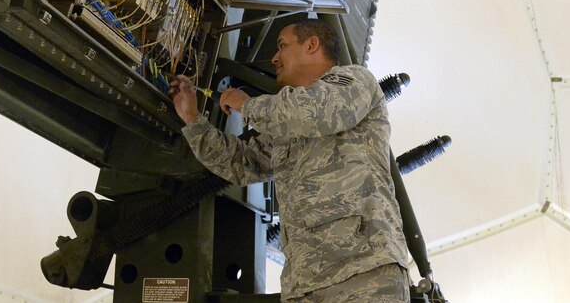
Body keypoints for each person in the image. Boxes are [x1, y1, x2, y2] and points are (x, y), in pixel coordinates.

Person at [170, 18, 410, 302]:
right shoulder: (284, 128)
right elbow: (241, 163)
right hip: (305, 284)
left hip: (363, 272)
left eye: (282, 46)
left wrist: (246, 104)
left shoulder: (354, 81)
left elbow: (313, 112)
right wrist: (192, 119)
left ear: (312, 45)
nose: (274, 57)